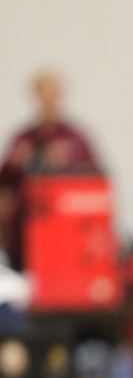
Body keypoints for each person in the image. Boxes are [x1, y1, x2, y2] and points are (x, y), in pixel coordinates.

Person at [0, 70, 101, 269]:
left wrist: (67, 164)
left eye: (52, 94)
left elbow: (95, 179)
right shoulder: (23, 137)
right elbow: (4, 182)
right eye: (42, 94)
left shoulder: (75, 137)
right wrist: (14, 164)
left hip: (66, 225)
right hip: (27, 224)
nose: (47, 101)